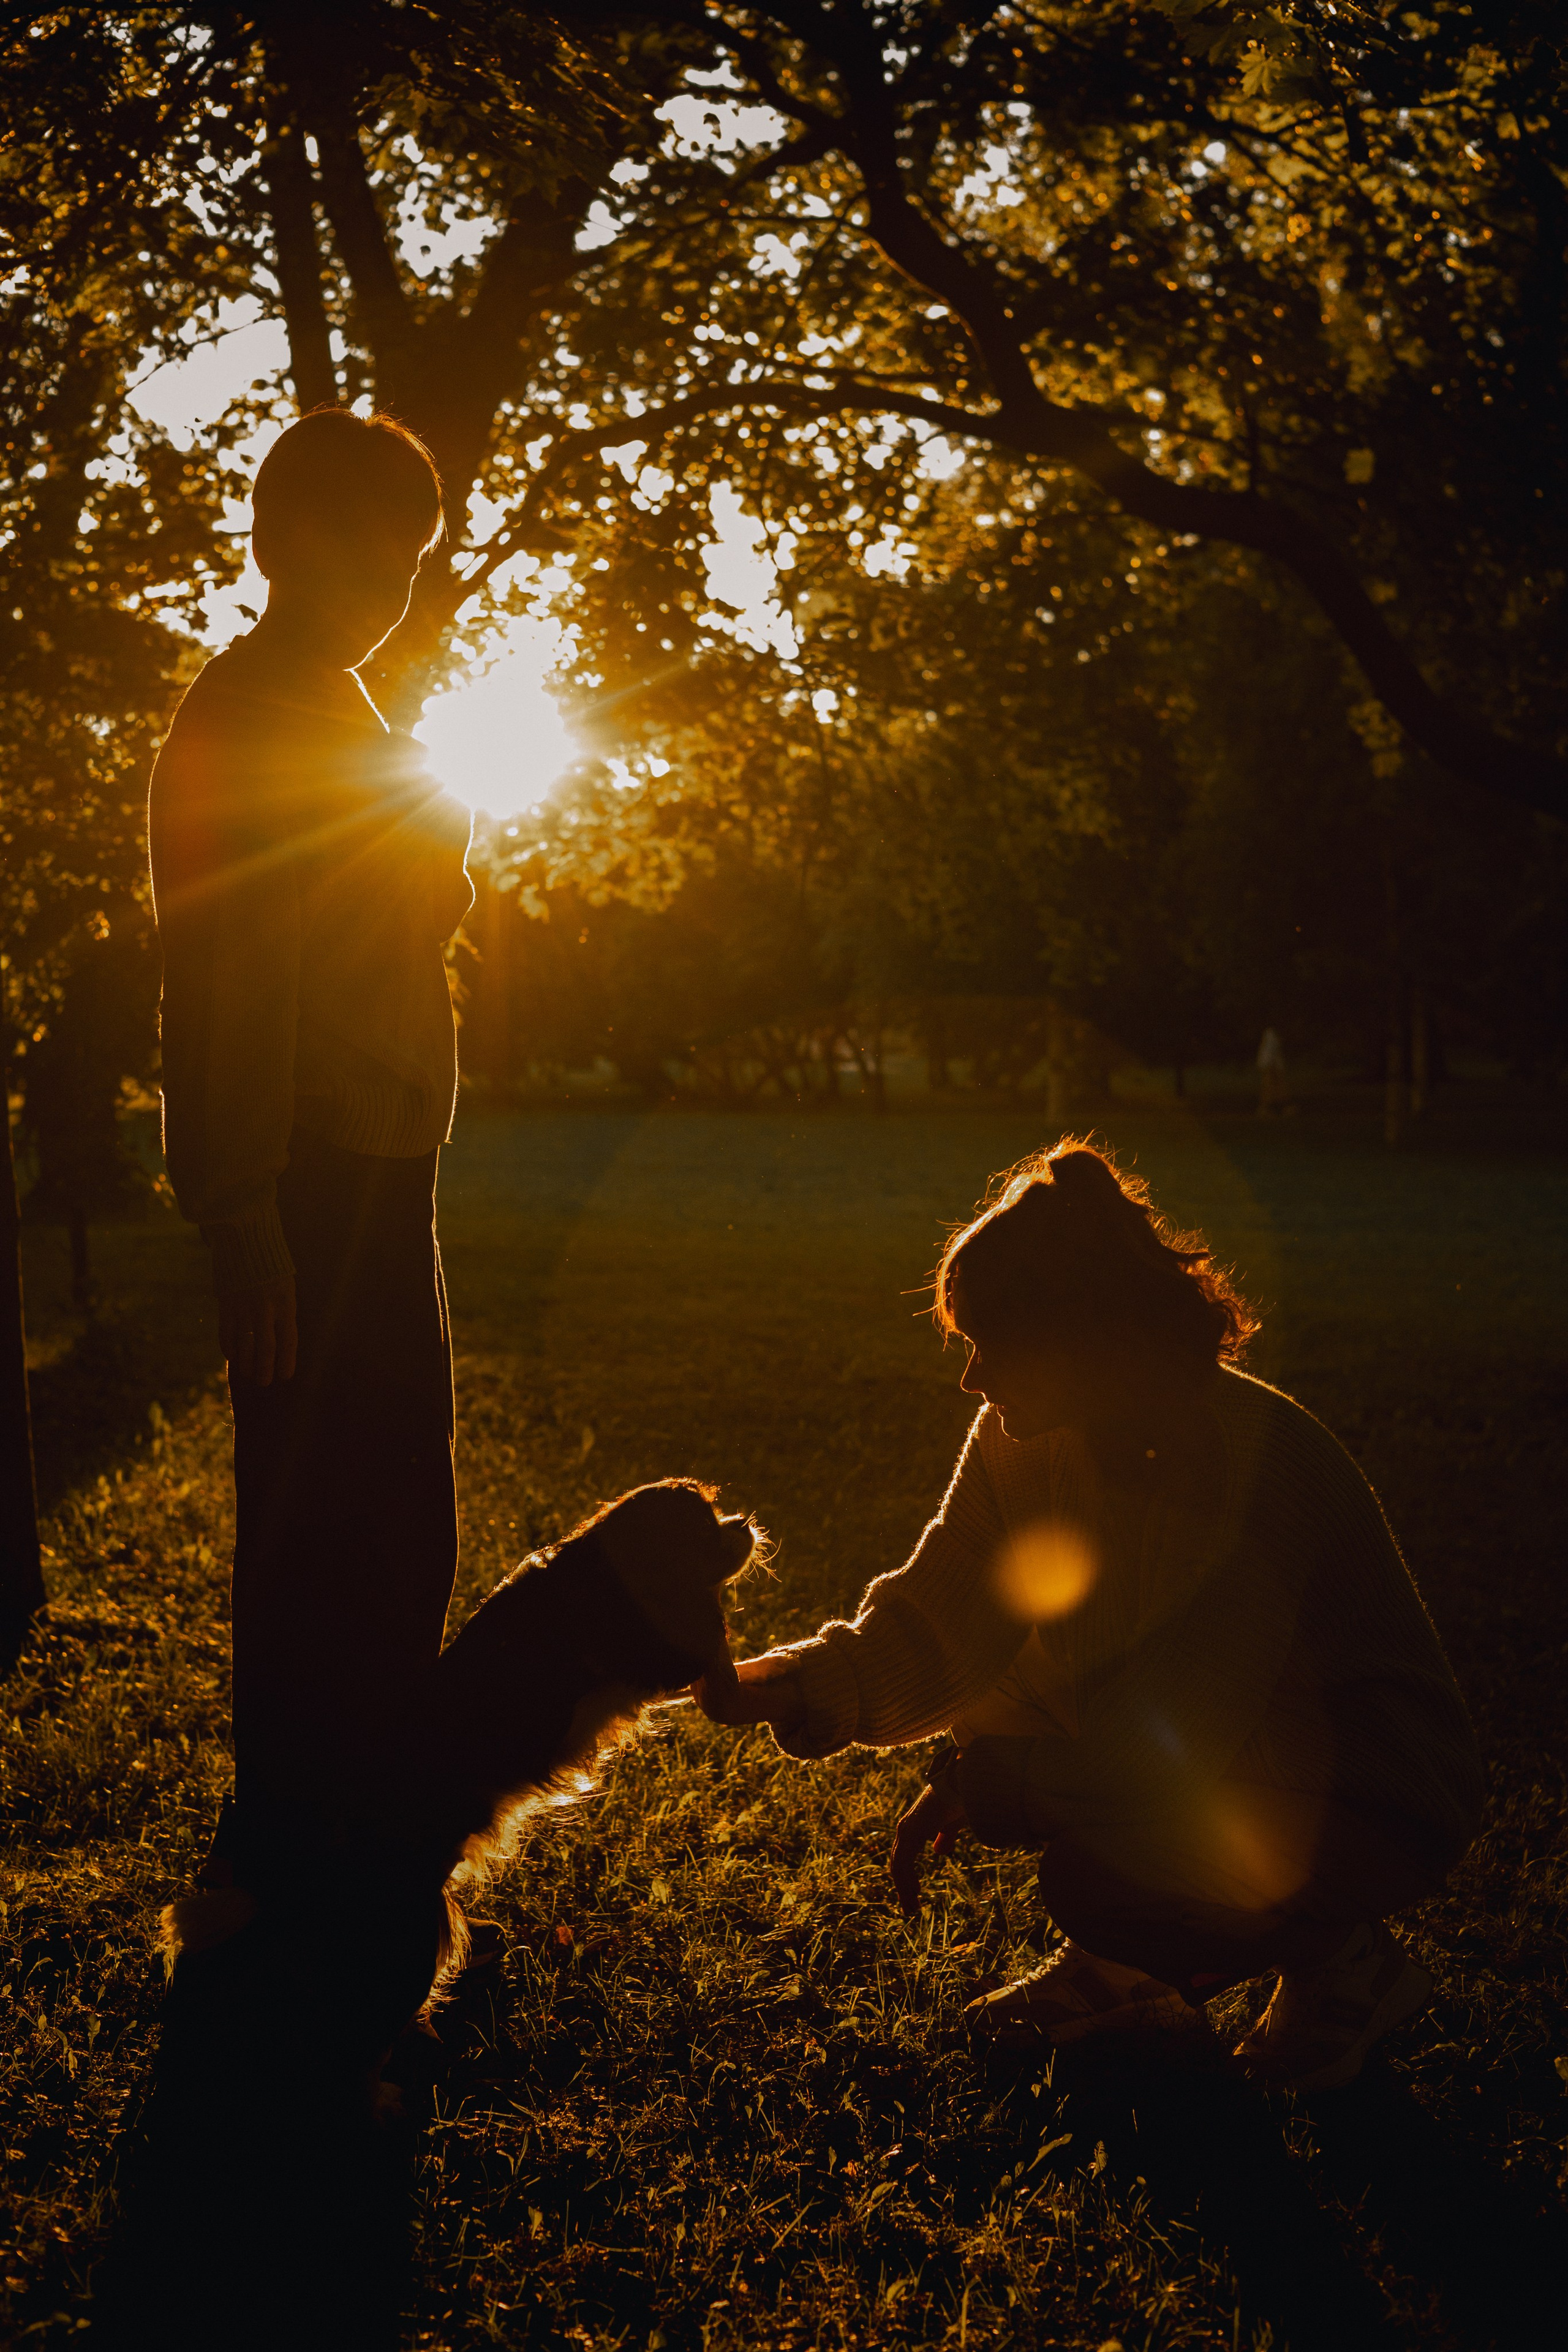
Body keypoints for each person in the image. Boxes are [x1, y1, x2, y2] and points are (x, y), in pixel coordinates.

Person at [699, 1141, 1482, 2092]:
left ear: (1083, 1336)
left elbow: (1182, 1737)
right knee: (1090, 1826)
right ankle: (1140, 1962)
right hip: (1230, 1768)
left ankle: (1343, 1961)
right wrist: (772, 1684)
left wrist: (992, 1783)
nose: (971, 1380)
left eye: (991, 1343)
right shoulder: (1021, 1438)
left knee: (1097, 1880)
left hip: (1373, 1795)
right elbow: (943, 1617)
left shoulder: (1248, 1461)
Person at [148, 409, 474, 1889]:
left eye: (413, 556)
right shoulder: (254, 716)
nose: (397, 582)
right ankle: (293, 1829)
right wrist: (241, 1204)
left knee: (395, 1502)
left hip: (376, 1172)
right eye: (372, 550)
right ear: (285, 545)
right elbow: (230, 976)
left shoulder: (339, 708)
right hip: (313, 1181)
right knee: (322, 1518)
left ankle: (351, 1801)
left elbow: (386, 928)